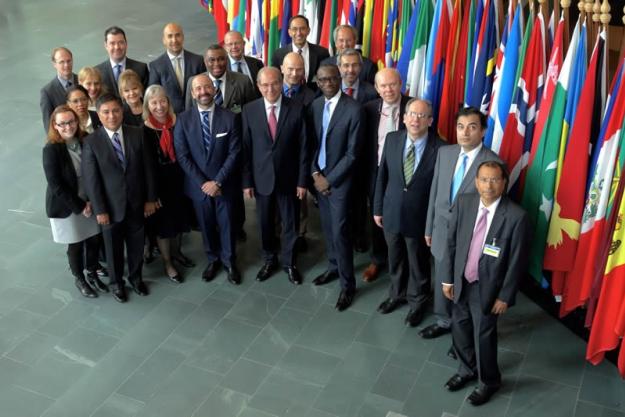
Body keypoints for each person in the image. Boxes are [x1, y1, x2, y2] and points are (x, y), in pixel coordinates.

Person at [441, 161, 529, 406]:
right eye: (483, 179)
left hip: (488, 289)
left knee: (484, 336)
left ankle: (488, 381)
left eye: (494, 180)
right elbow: (451, 243)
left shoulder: (516, 217)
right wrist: (448, 278)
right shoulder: (465, 202)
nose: (488, 185)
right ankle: (466, 369)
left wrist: (505, 296)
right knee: (459, 328)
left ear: (503, 183)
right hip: (460, 281)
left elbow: (516, 262)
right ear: (476, 181)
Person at [421, 107, 503, 342]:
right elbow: (435, 193)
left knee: (463, 286)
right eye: (460, 127)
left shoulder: (493, 164)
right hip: (440, 230)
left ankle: (461, 334)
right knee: (441, 277)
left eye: (472, 127)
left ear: (483, 131)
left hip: (470, 238)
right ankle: (443, 320)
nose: (465, 132)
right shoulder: (445, 153)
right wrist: (429, 227)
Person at [373, 99, 444, 327]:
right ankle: (396, 294)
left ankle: (418, 302)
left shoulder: (442, 149)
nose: (415, 119)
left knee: (418, 263)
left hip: (420, 217)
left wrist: (433, 223)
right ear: (403, 118)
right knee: (395, 258)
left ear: (430, 121)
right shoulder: (393, 139)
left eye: (422, 116)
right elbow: (382, 176)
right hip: (391, 212)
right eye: (411, 114)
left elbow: (440, 191)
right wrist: (377, 208)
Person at [82, 93, 158, 303]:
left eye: (116, 110)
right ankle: (117, 284)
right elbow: (92, 180)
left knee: (136, 245)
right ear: (99, 114)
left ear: (122, 111)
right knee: (113, 249)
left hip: (137, 203)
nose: (112, 116)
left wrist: (151, 198)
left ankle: (135, 278)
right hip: (110, 208)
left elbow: (149, 169)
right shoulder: (91, 142)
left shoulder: (137, 134)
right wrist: (100, 210)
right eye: (106, 112)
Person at [241, 67, 308, 285]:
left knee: (290, 224)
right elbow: (246, 148)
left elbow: (304, 148)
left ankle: (290, 263)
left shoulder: (297, 109)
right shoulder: (249, 111)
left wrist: (302, 181)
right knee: (265, 223)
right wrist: (247, 181)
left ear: (282, 83)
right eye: (265, 85)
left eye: (275, 83)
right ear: (258, 87)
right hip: (261, 181)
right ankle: (269, 260)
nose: (271, 89)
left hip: (289, 180)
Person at [174, 74, 242, 285]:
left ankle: (230, 262)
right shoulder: (183, 120)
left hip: (225, 185)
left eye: (207, 87)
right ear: (193, 94)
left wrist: (218, 182)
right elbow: (183, 156)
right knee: (206, 225)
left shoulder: (230, 117)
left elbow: (235, 152)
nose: (203, 92)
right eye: (198, 89)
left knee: (227, 224)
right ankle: (213, 259)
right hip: (198, 187)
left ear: (214, 89)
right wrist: (204, 184)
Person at [309, 65, 361, 311]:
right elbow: (312, 144)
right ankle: (333, 267)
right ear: (317, 83)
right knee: (328, 228)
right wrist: (315, 174)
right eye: (322, 80)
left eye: (332, 78)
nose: (328, 82)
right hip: (319, 177)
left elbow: (353, 154)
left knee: (340, 233)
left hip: (340, 182)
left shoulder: (354, 109)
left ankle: (347, 285)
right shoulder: (317, 105)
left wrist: (329, 180)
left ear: (340, 79)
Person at [42, 105, 108, 298]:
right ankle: (80, 278)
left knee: (94, 239)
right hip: (68, 205)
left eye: (70, 122)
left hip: (90, 198)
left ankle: (92, 271)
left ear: (76, 121)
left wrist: (92, 201)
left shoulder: (85, 139)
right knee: (76, 244)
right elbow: (56, 185)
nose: (67, 127)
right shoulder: (51, 150)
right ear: (55, 125)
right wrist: (80, 206)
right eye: (62, 124)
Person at [361, 68, 411, 283]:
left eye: (392, 84)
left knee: (405, 213)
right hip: (377, 172)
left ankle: (404, 259)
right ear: (376, 88)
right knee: (377, 215)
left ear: (401, 84)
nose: (388, 89)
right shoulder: (369, 109)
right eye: (383, 85)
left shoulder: (414, 107)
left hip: (406, 173)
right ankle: (378, 259)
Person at [142, 85, 194, 283]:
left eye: (162, 101)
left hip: (181, 180)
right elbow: (146, 166)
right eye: (154, 103)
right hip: (160, 184)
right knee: (164, 226)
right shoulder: (144, 130)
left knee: (180, 220)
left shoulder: (178, 121)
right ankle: (167, 262)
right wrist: (151, 195)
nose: (159, 106)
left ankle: (178, 252)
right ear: (148, 105)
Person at [148, 22, 206, 114]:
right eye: (170, 36)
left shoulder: (198, 61)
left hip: (196, 114)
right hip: (170, 118)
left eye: (177, 35)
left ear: (183, 37)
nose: (174, 40)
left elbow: (205, 89)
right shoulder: (156, 66)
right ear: (164, 40)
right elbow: (154, 97)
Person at [184, 45, 256, 113]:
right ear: (205, 62)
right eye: (212, 60)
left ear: (227, 60)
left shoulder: (243, 81)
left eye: (221, 59)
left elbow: (250, 111)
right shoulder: (193, 82)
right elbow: (190, 114)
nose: (217, 64)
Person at [271, 15, 329, 89]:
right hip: (288, 98)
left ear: (308, 31)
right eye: (295, 29)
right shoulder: (278, 54)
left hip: (314, 98)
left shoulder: (322, 53)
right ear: (289, 32)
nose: (299, 33)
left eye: (302, 29)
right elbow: (275, 80)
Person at [95, 26, 149, 94]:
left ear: (126, 44)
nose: (117, 47)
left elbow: (147, 97)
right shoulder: (97, 72)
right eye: (112, 43)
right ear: (106, 46)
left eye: (121, 42)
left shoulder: (141, 69)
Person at [40, 47, 78, 131]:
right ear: (54, 64)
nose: (66, 65)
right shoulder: (47, 92)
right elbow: (49, 126)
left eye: (69, 61)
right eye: (61, 62)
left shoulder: (82, 81)